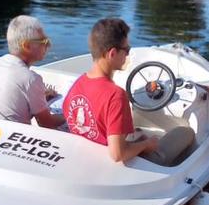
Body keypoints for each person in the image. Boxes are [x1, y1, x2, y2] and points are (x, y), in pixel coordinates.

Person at [64, 18, 159, 163]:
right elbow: (118, 155)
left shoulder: (78, 83)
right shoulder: (116, 95)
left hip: (83, 157)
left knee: (139, 134)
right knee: (184, 134)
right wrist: (147, 145)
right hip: (108, 166)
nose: (128, 55)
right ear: (112, 53)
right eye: (126, 50)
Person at [0, 15, 65, 128]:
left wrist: (42, 97)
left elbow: (12, 102)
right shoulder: (31, 79)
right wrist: (69, 115)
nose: (49, 45)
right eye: (43, 41)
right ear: (26, 46)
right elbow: (47, 124)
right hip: (6, 139)